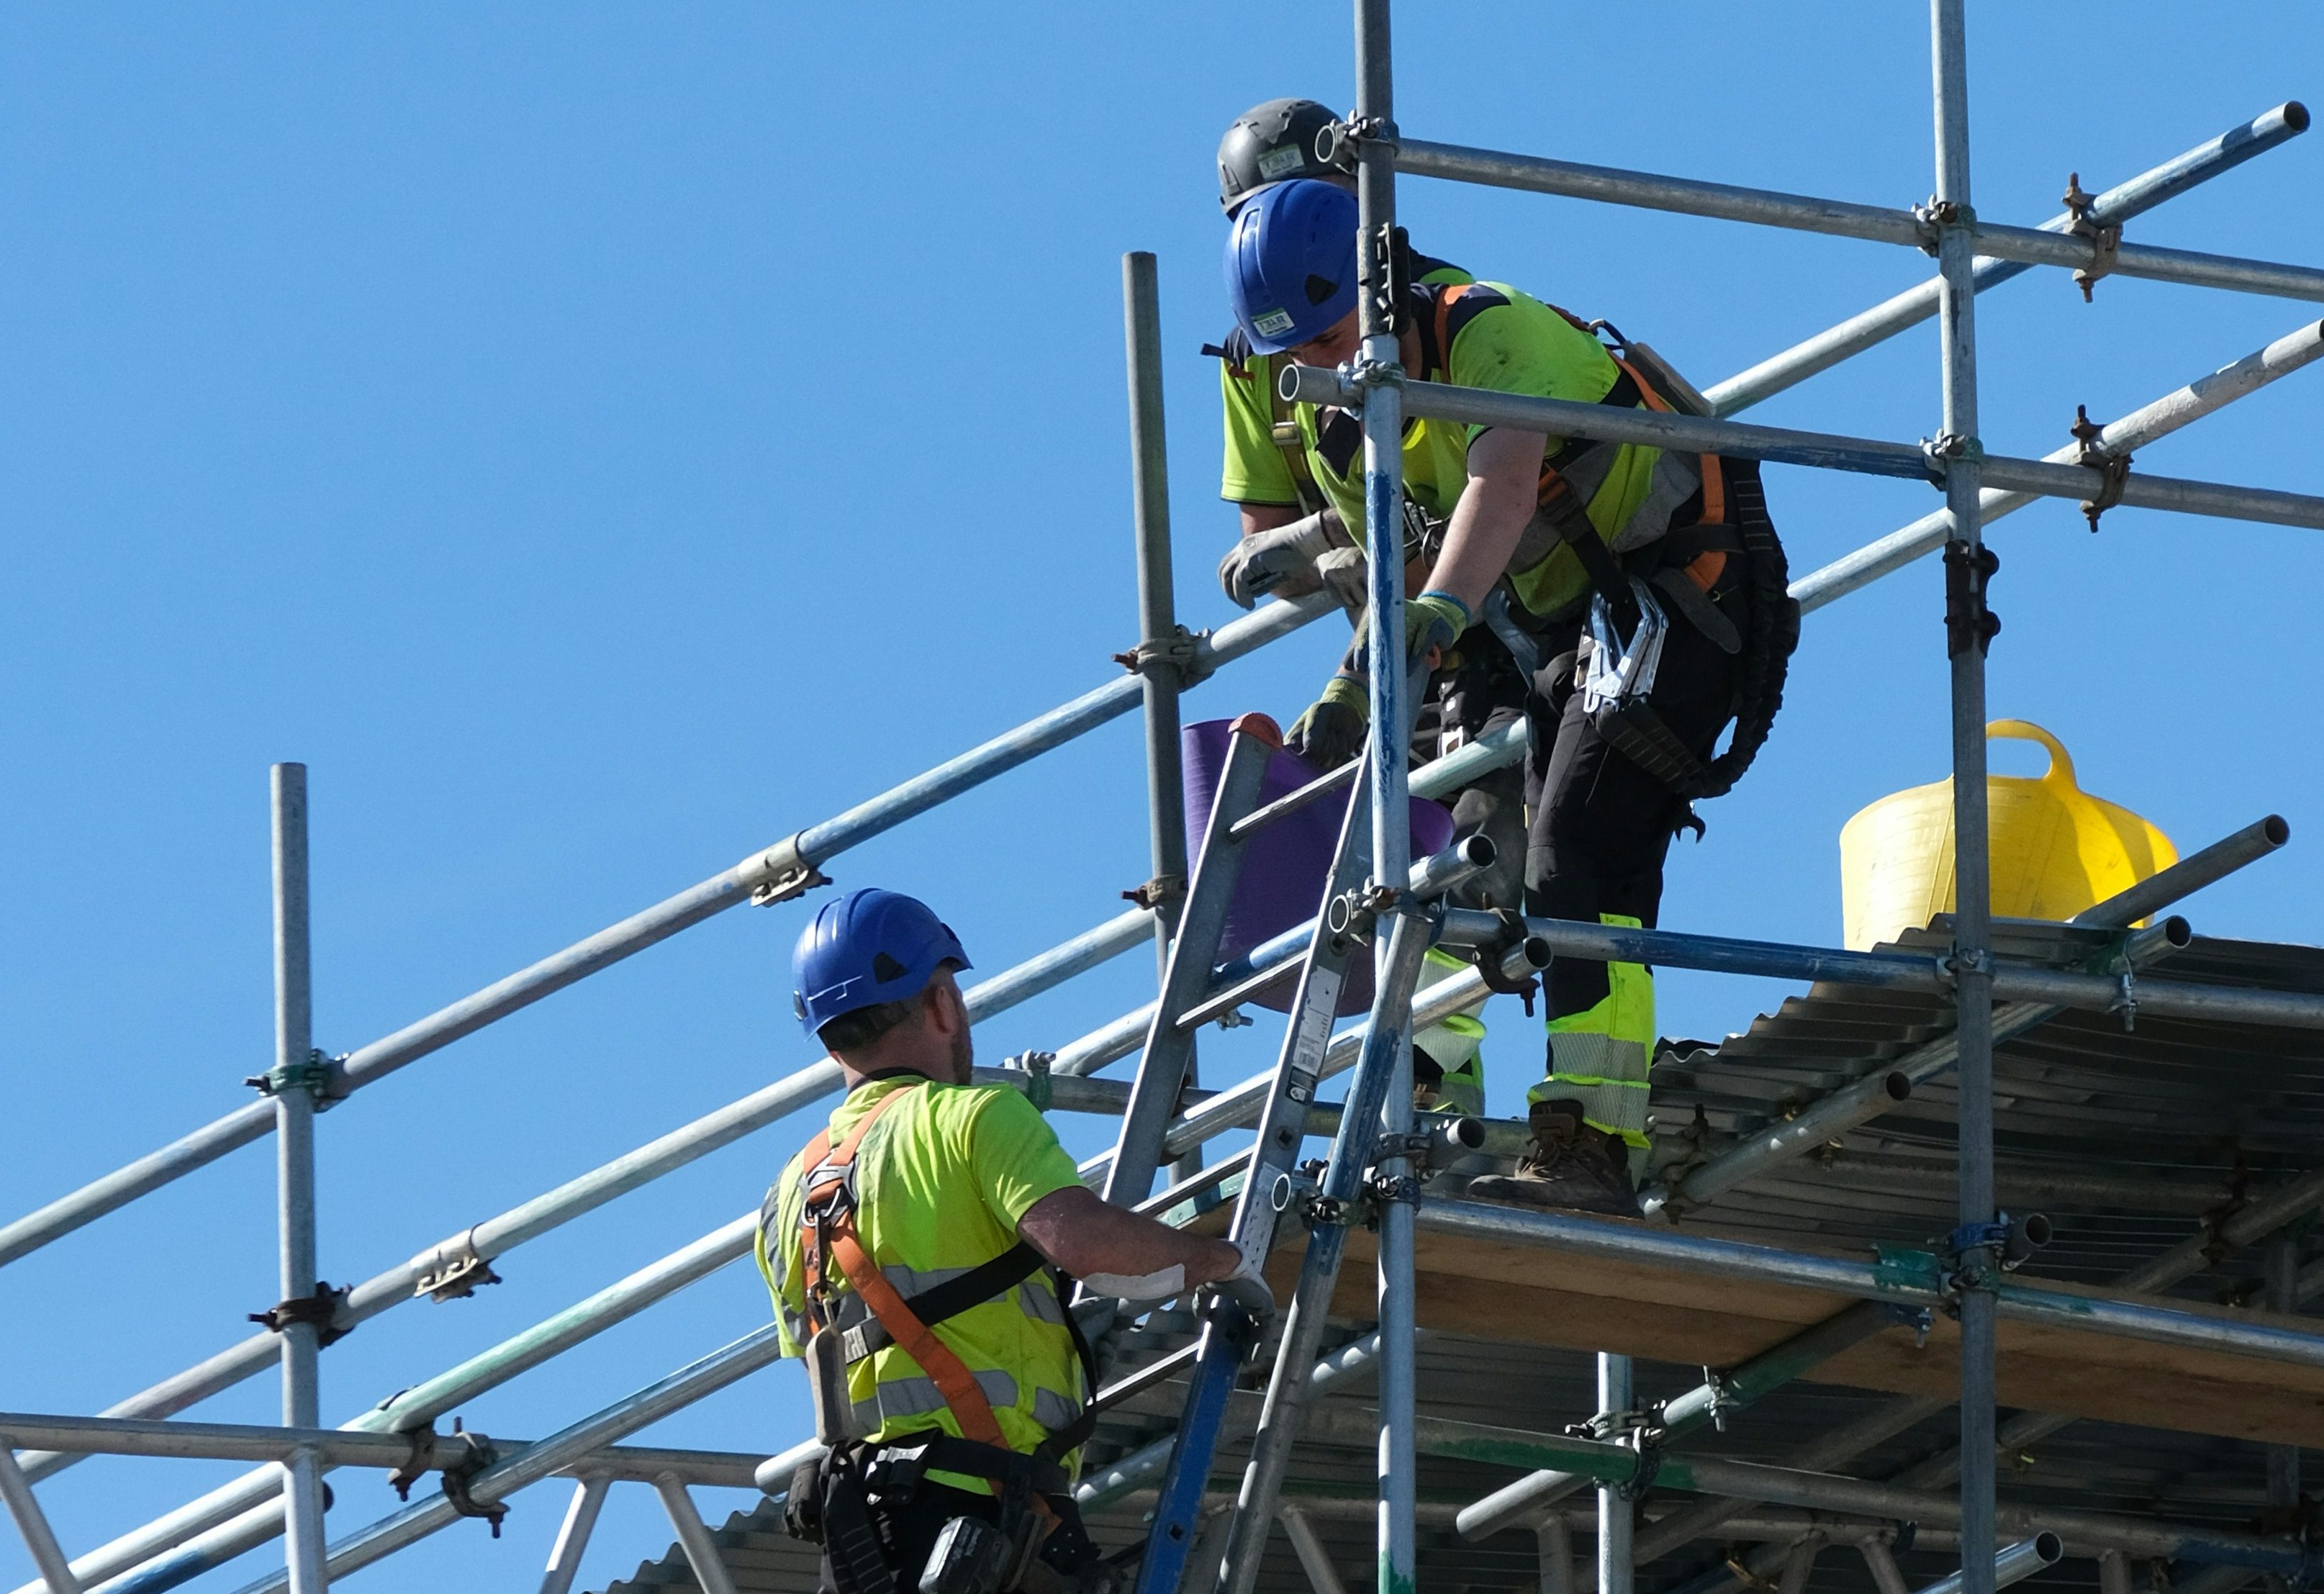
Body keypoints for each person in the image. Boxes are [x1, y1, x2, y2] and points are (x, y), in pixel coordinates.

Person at [1224, 177, 1799, 1217]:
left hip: (1684, 586)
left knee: (1574, 843)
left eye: (1323, 334)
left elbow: (1499, 486)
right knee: (1534, 856)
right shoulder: (1367, 407)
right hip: (1583, 623)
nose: (1310, 363)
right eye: (1291, 350)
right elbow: (1403, 553)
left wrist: (1440, 613)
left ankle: (1587, 1140)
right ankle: (1566, 1124)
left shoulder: (1484, 332)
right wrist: (1353, 681)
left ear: (1376, 282)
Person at [759, 889, 1261, 1594]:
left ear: (827, 1034)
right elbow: (1085, 1244)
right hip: (979, 1515)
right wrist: (1223, 1259)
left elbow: (822, 1359)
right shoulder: (977, 1117)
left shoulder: (787, 1195)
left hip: (860, 1542)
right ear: (939, 1003)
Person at [1207, 99, 1501, 1121]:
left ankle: (1570, 1104)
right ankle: (1434, 1094)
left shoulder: (1440, 314)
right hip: (1396, 644)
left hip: (1498, 612)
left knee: (1500, 849)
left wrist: (1335, 581)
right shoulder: (1256, 355)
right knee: (1400, 864)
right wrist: (1288, 555)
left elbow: (1459, 510)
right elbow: (1270, 532)